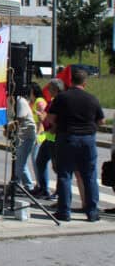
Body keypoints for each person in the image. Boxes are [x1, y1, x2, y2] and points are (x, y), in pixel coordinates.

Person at [48, 68, 104, 222]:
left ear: (71, 81)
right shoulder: (92, 99)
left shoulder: (62, 98)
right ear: (85, 83)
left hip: (67, 138)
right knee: (89, 176)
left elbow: (51, 118)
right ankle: (92, 212)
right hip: (87, 139)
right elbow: (101, 121)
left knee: (65, 175)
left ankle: (64, 212)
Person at [34, 78, 65, 200]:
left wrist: (52, 126)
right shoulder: (53, 101)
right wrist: (43, 119)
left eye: (50, 88)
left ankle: (58, 192)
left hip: (55, 138)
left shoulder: (60, 101)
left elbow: (57, 118)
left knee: (58, 167)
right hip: (48, 137)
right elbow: (47, 117)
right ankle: (44, 188)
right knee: (40, 161)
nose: (48, 90)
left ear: (56, 89)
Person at [11, 91, 37, 192]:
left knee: (19, 162)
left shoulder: (20, 101)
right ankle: (27, 185)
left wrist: (10, 127)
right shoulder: (11, 101)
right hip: (19, 135)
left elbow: (20, 118)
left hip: (27, 135)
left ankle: (19, 183)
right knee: (20, 161)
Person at [28, 82, 48, 194]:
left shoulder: (39, 102)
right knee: (35, 161)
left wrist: (37, 134)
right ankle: (39, 184)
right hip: (36, 133)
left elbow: (42, 119)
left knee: (37, 161)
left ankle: (41, 185)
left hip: (39, 135)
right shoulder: (34, 102)